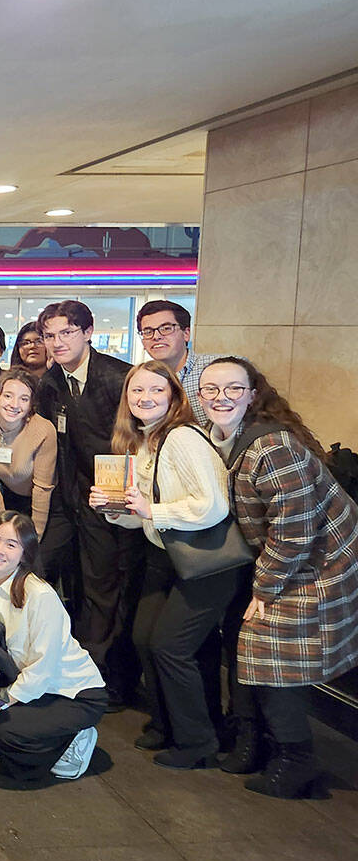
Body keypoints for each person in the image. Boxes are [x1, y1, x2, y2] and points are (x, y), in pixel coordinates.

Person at [198, 357, 358, 798]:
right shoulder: (223, 440)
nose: (221, 398)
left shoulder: (273, 447)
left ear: (252, 394)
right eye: (211, 390)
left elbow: (296, 529)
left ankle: (295, 758)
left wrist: (264, 590)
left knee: (266, 647)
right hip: (290, 559)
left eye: (232, 389)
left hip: (322, 564)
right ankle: (257, 741)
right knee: (250, 644)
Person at [90, 360, 237, 769]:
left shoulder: (182, 438)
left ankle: (196, 741)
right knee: (145, 639)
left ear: (174, 396)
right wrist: (111, 509)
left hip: (203, 560)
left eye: (156, 390)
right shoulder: (142, 441)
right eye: (137, 391)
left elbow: (212, 506)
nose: (146, 398)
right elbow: (141, 516)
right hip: (165, 555)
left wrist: (151, 509)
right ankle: (168, 723)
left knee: (170, 646)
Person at [35, 300, 143, 707]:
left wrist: (117, 500)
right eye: (49, 335)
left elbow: (134, 442)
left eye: (66, 332)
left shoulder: (118, 377)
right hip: (69, 499)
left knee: (106, 587)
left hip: (113, 501)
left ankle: (110, 679)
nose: (57, 342)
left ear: (87, 332)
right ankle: (78, 667)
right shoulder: (50, 384)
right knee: (71, 585)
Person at [0, 513, 107, 781]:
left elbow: (43, 669)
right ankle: (2, 732)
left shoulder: (40, 595)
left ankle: (75, 737)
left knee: (5, 733)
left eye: (11, 544)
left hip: (70, 693)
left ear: (25, 553)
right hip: (17, 678)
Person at [0, 370, 57, 538]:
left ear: (31, 404)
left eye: (24, 399)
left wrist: (34, 538)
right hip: (11, 499)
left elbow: (42, 490)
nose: (14, 404)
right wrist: (2, 531)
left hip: (48, 503)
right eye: (8, 396)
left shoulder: (43, 431)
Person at [137, 299, 221, 426]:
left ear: (186, 334)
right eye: (148, 332)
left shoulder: (217, 368)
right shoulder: (142, 380)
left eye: (166, 328)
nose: (156, 336)